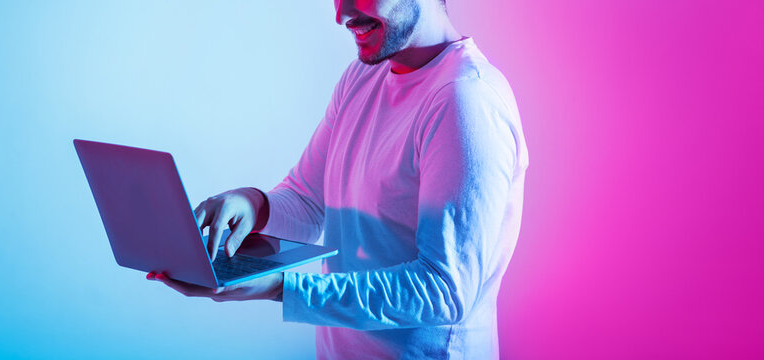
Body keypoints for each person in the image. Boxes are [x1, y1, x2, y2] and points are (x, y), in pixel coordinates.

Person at [147, 0, 529, 358]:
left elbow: (442, 291)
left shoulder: (465, 99)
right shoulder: (363, 76)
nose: (342, 14)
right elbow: (309, 202)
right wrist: (253, 204)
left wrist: (283, 289)